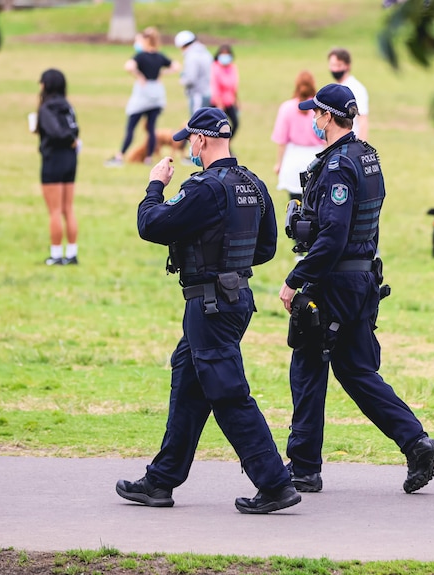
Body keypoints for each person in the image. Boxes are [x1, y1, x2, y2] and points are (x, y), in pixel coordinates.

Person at [116, 107, 301, 515]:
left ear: (200, 141)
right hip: (236, 301)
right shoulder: (252, 183)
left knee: (228, 394)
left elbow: (152, 225)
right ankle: (160, 481)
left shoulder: (202, 188)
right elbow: (267, 247)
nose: (187, 148)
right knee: (188, 379)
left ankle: (273, 483)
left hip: (210, 304)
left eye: (189, 141)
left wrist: (154, 186)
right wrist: (229, 261)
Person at [281, 84, 434, 494]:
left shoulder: (337, 167)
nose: (313, 120)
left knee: (307, 366)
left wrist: (296, 278)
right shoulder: (367, 156)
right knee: (355, 369)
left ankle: (303, 468)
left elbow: (333, 235)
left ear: (329, 117)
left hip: (334, 281)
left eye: (316, 114)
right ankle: (417, 443)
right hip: (361, 279)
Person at [105, 27, 179, 167]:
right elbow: (176, 66)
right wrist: (162, 73)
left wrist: (139, 76)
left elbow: (128, 66)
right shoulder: (159, 56)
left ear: (145, 40)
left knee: (131, 126)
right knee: (151, 128)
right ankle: (148, 158)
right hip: (157, 95)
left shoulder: (140, 56)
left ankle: (120, 156)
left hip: (143, 94)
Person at [35, 69, 79, 266]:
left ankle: (55, 255)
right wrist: (72, 139)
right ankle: (71, 253)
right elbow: (74, 129)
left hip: (53, 159)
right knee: (68, 208)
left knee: (54, 210)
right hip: (70, 159)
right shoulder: (67, 105)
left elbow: (56, 132)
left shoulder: (46, 108)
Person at [271, 70, 323, 202]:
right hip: (315, 158)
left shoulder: (287, 107)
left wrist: (279, 163)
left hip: (293, 159)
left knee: (295, 206)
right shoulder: (320, 109)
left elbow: (281, 140)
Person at [327, 48, 369, 141]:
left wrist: (361, 146)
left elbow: (362, 120)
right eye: (332, 65)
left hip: (350, 143)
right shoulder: (334, 88)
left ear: (347, 66)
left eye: (338, 65)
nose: (335, 69)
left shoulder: (357, 89)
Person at [175, 30, 212, 115]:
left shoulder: (191, 56)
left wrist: (182, 80)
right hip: (209, 92)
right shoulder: (205, 52)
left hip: (198, 94)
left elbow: (191, 79)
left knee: (197, 123)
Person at [210, 44, 240, 140]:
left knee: (235, 124)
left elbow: (234, 86)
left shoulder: (232, 67)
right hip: (218, 102)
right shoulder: (215, 67)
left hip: (229, 101)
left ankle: (227, 145)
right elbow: (214, 86)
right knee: (219, 127)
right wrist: (219, 104)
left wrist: (236, 100)